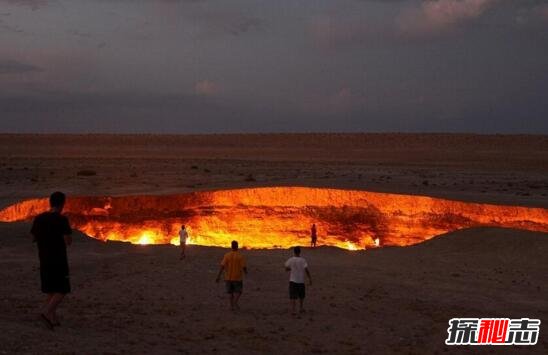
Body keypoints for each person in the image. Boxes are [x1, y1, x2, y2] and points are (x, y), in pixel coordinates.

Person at [30, 191, 73, 330]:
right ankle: (46, 312)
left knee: (51, 289)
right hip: (58, 259)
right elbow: (68, 241)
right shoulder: (61, 219)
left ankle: (53, 319)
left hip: (43, 257)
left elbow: (33, 238)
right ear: (62, 204)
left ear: (50, 202)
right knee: (62, 289)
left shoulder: (39, 218)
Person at [216, 240, 247, 311]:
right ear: (237, 246)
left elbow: (222, 266)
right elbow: (244, 266)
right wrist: (246, 272)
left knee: (230, 292)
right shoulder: (240, 256)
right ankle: (235, 302)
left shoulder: (227, 255)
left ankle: (231, 306)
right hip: (237, 277)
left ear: (231, 246)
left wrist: (218, 276)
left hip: (228, 277)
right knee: (239, 291)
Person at [284, 246, 312, 315]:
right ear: (300, 252)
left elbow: (286, 268)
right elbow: (306, 270)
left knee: (293, 296)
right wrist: (309, 278)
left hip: (293, 280)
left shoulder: (291, 259)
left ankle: (293, 310)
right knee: (301, 295)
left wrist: (291, 268)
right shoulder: (303, 260)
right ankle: (301, 308)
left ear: (294, 252)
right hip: (301, 280)